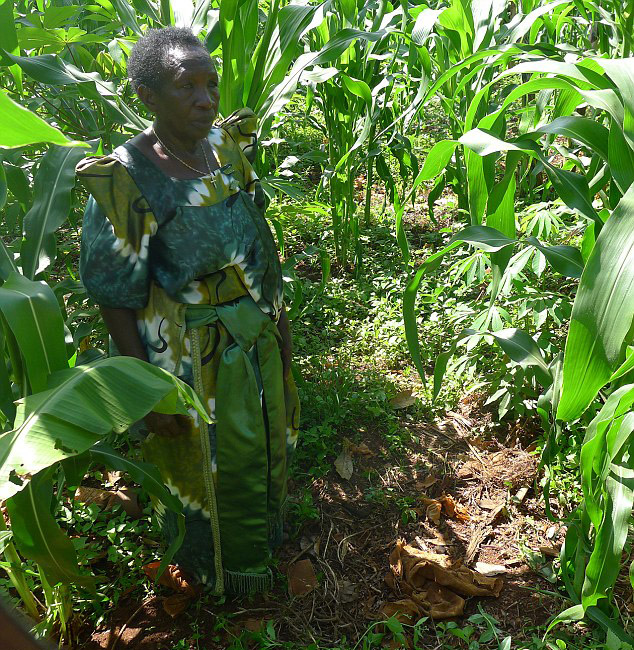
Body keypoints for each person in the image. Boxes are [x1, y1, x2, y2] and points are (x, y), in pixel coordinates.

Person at [77, 26, 300, 595]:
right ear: (148, 96)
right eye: (187, 87)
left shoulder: (225, 148)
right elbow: (113, 296)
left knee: (267, 441)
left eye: (211, 84)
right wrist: (148, 392)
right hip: (188, 351)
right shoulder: (128, 180)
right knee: (208, 464)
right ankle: (218, 574)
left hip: (254, 327)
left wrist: (279, 321)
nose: (206, 99)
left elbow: (257, 237)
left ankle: (262, 547)